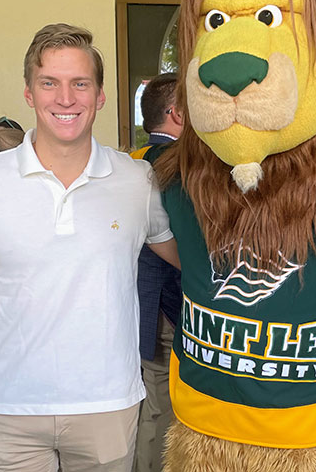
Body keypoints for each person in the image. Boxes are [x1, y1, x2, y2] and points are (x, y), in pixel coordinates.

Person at [0, 23, 179, 472]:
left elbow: (192, 260)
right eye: (50, 83)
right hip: (8, 409)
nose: (66, 99)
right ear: (29, 93)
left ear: (100, 95)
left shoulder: (136, 180)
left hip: (108, 406)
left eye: (79, 83)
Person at [129, 73, 183, 472]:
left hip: (135, 303)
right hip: (168, 307)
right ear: (177, 113)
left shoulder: (128, 161)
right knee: (160, 410)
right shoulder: (176, 166)